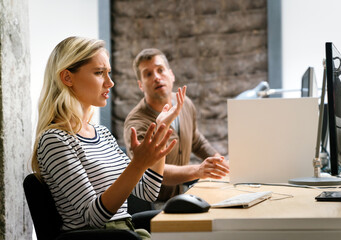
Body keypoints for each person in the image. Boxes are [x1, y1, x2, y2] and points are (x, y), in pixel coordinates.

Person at [30, 36, 186, 239]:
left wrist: (161, 129)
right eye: (99, 73)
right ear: (67, 78)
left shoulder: (101, 134)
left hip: (128, 234)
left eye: (109, 73)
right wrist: (137, 164)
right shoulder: (54, 140)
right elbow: (94, 216)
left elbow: (148, 191)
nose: (110, 83)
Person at [124, 48, 230, 202]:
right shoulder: (136, 123)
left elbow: (196, 141)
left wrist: (220, 162)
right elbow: (151, 170)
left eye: (160, 70)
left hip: (182, 197)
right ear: (140, 85)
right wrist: (198, 170)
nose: (156, 77)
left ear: (171, 75)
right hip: (154, 205)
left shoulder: (184, 104)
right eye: (148, 74)